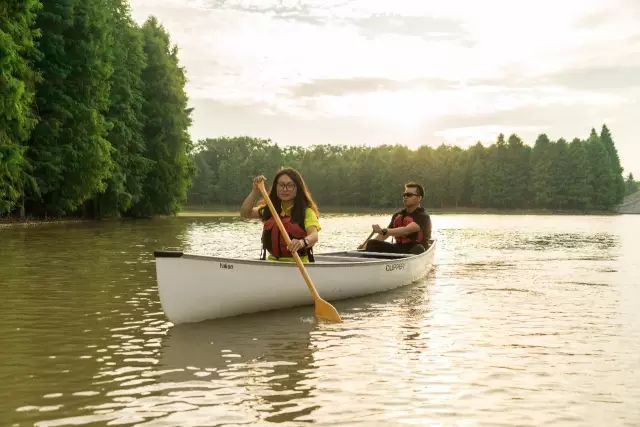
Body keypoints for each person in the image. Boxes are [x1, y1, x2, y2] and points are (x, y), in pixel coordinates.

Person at [240, 168, 320, 262]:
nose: (285, 189)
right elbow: (245, 213)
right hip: (272, 263)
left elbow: (314, 236)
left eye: (290, 185)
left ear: (297, 188)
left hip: (298, 263)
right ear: (276, 187)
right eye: (281, 185)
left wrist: (302, 242)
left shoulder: (307, 212)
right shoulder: (270, 209)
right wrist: (255, 191)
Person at [364, 182, 431, 254]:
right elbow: (385, 235)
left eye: (409, 195)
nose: (405, 197)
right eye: (404, 195)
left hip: (415, 249)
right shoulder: (397, 215)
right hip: (399, 248)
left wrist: (383, 231)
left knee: (418, 248)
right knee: (371, 243)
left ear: (419, 198)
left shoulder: (423, 216)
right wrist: (365, 246)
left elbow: (406, 230)